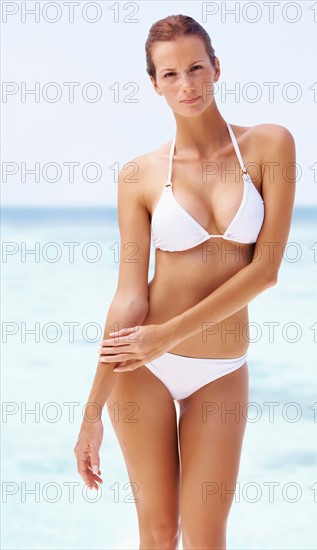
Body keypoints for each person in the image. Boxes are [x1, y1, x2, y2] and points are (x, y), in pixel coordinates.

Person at [74, 14, 296, 549]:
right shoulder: (139, 176)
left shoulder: (270, 147)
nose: (187, 84)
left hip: (219, 367)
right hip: (140, 364)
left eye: (196, 68)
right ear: (154, 83)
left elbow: (264, 271)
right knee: (157, 533)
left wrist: (166, 334)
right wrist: (90, 414)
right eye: (169, 74)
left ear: (216, 67)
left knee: (205, 536)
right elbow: (130, 297)